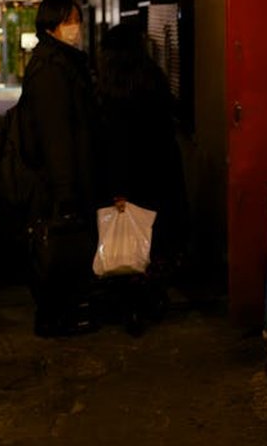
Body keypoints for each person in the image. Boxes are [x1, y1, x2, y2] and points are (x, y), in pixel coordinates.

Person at [95, 23, 188, 333]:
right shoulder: (153, 78)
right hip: (159, 173)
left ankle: (129, 306)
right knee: (155, 240)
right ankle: (149, 300)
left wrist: (116, 187)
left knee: (126, 241)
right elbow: (165, 127)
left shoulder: (106, 88)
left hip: (124, 176)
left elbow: (110, 142)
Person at [18, 0, 100, 337]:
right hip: (59, 181)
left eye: (77, 19)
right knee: (60, 247)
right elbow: (56, 134)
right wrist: (65, 188)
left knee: (65, 247)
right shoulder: (52, 69)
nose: (76, 27)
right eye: (69, 20)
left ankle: (61, 313)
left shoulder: (61, 62)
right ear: (51, 26)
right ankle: (55, 317)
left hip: (65, 176)